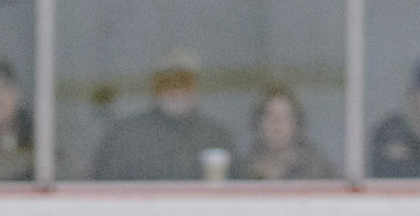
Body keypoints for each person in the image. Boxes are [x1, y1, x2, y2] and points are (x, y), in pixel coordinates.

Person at [91, 51, 237, 181]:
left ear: (195, 87)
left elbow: (238, 186)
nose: (175, 90)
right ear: (154, 87)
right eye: (167, 82)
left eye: (183, 81)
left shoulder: (216, 136)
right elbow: (102, 188)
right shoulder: (125, 136)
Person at [240, 86, 336, 181]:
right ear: (258, 122)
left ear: (296, 123)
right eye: (269, 116)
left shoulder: (316, 168)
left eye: (284, 117)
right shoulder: (245, 168)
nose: (276, 125)